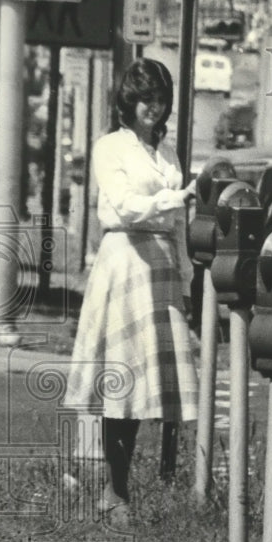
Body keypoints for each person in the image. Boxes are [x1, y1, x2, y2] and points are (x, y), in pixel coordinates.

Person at [64, 58, 198, 517]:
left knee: (144, 384)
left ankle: (116, 487)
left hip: (159, 266)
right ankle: (114, 489)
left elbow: (178, 221)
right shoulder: (110, 147)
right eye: (146, 99)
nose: (154, 109)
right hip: (124, 260)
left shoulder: (169, 154)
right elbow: (121, 204)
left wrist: (185, 276)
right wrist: (169, 199)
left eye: (160, 99)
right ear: (129, 101)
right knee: (118, 377)